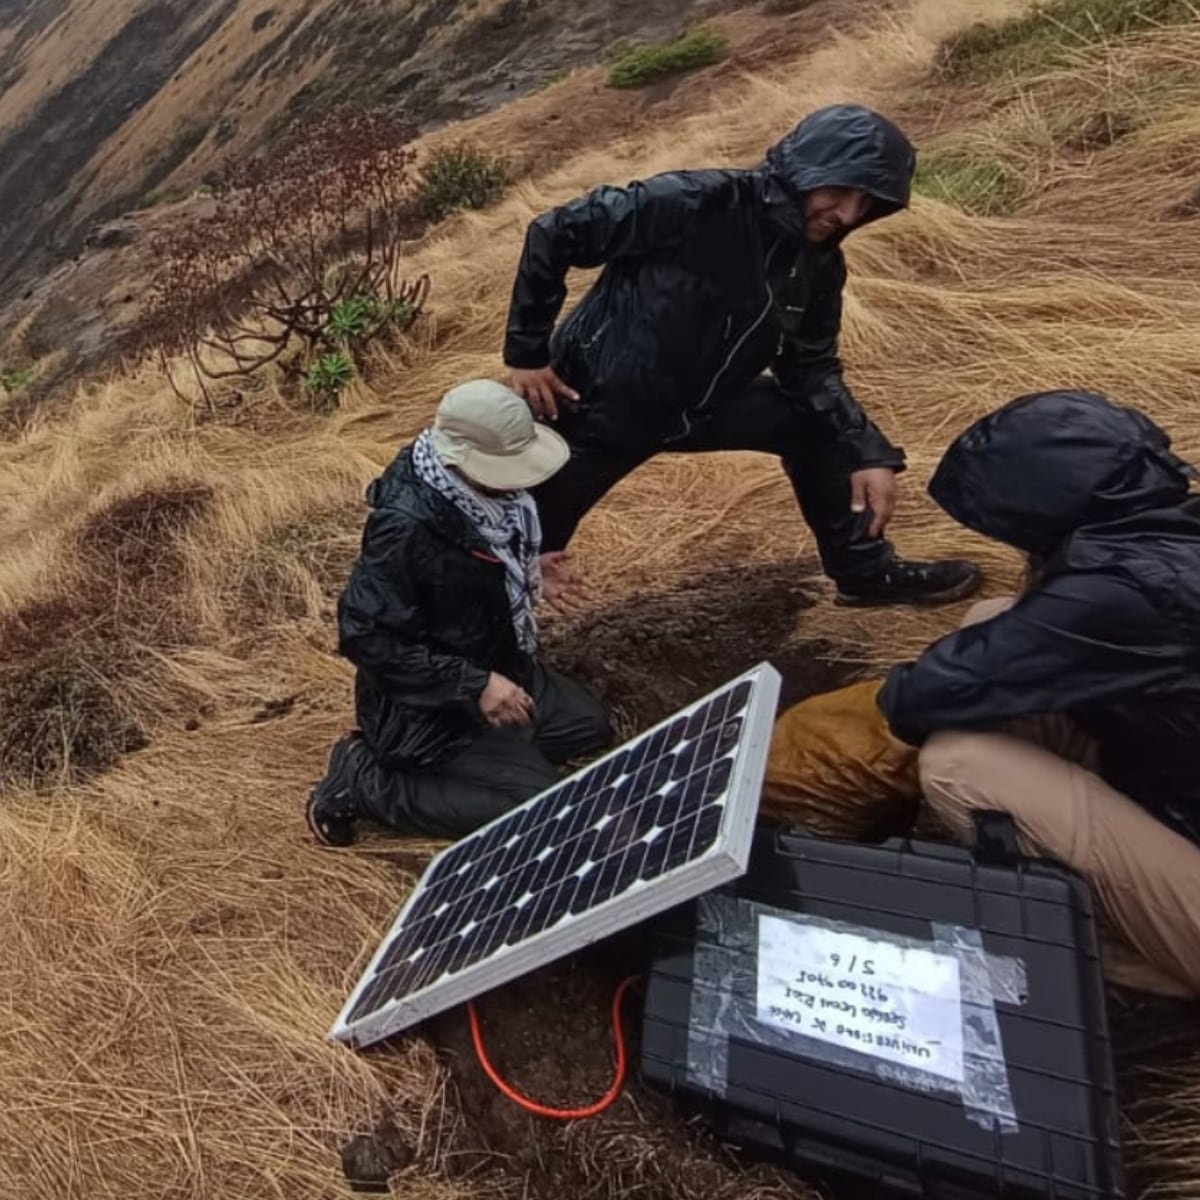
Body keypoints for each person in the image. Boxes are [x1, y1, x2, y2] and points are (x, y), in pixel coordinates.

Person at [761, 390, 1200, 997]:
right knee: (994, 617)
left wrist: (779, 768)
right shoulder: (1164, 535)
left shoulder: (1131, 590)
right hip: (1176, 785)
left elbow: (936, 691)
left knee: (958, 766)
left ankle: (1114, 951)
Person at [501, 103, 981, 607]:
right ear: (803, 172)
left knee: (817, 425)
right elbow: (556, 231)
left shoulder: (819, 266)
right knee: (521, 551)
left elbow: (810, 368)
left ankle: (864, 573)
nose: (847, 214)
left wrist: (868, 451)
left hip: (702, 410)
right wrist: (528, 353)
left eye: (866, 203)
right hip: (594, 409)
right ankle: (484, 663)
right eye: (839, 191)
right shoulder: (697, 203)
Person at [306, 379, 612, 846]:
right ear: (463, 459)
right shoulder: (403, 529)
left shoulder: (483, 501)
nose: (521, 479)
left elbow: (465, 574)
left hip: (497, 662)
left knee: (587, 726)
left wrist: (527, 573)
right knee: (539, 811)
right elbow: (366, 637)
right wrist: (476, 686)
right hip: (426, 711)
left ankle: (501, 764)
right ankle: (364, 779)